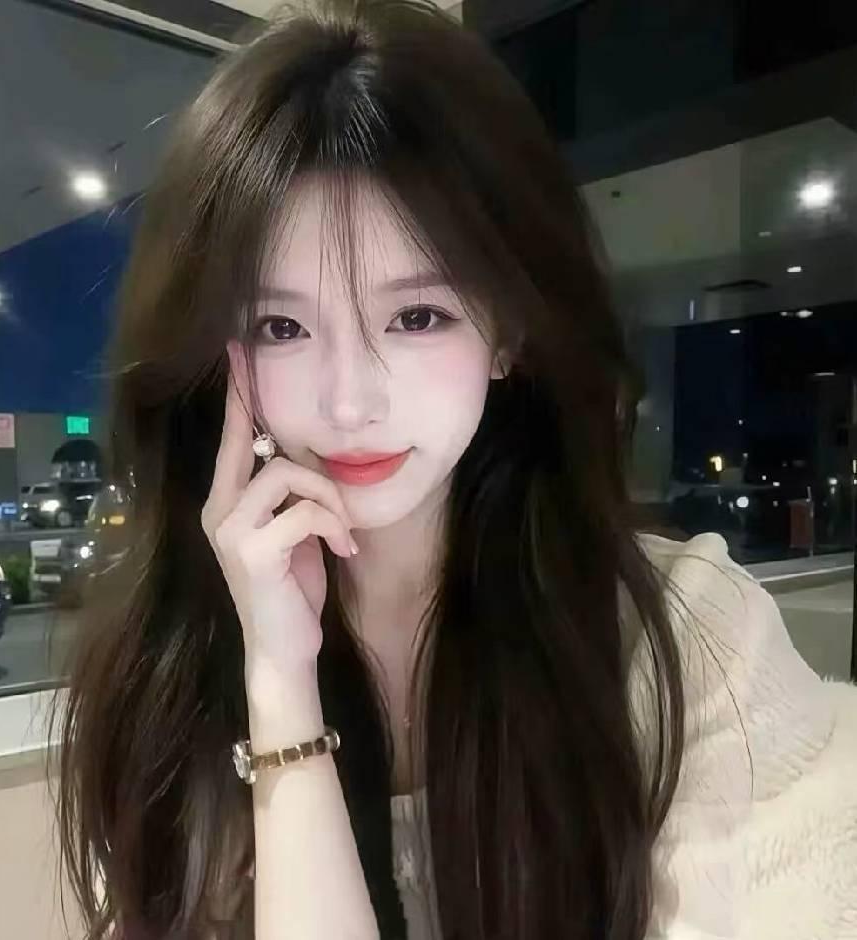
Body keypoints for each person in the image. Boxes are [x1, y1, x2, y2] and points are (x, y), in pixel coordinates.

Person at [47, 2, 857, 939]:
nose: (350, 402)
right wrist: (279, 682)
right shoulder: (165, 669)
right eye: (282, 326)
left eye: (417, 316)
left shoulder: (683, 637)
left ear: (506, 331)